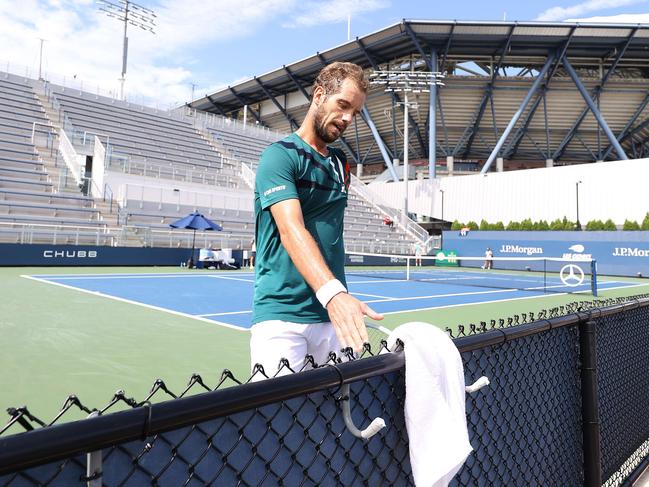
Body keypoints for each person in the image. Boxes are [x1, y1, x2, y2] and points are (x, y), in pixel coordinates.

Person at [250, 61, 383, 378]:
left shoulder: (341, 164)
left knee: (334, 420)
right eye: (343, 105)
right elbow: (290, 229)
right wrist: (334, 294)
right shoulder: (280, 156)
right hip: (283, 317)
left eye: (355, 112)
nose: (348, 118)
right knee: (273, 421)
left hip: (333, 320)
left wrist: (335, 300)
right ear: (319, 95)